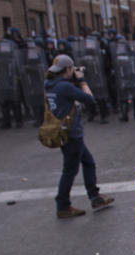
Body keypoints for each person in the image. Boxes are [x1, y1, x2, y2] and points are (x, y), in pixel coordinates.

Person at [44, 54, 114, 219]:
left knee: (87, 163)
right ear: (67, 69)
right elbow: (89, 99)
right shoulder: (64, 87)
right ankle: (63, 205)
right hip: (71, 133)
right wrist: (81, 80)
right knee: (70, 170)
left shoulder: (50, 84)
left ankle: (94, 197)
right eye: (71, 69)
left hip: (61, 131)